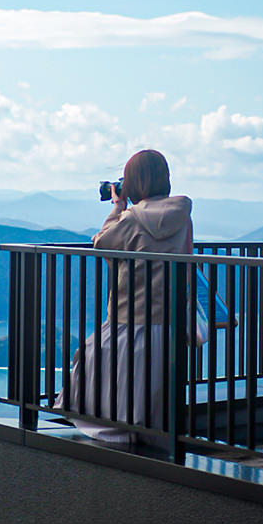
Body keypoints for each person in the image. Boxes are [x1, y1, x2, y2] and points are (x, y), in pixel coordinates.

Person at [54, 149, 193, 444]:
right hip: (169, 322)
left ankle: (116, 437)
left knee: (90, 360)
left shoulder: (132, 218)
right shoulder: (182, 215)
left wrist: (117, 206)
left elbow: (102, 244)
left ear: (134, 182)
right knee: (149, 389)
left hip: (131, 319)